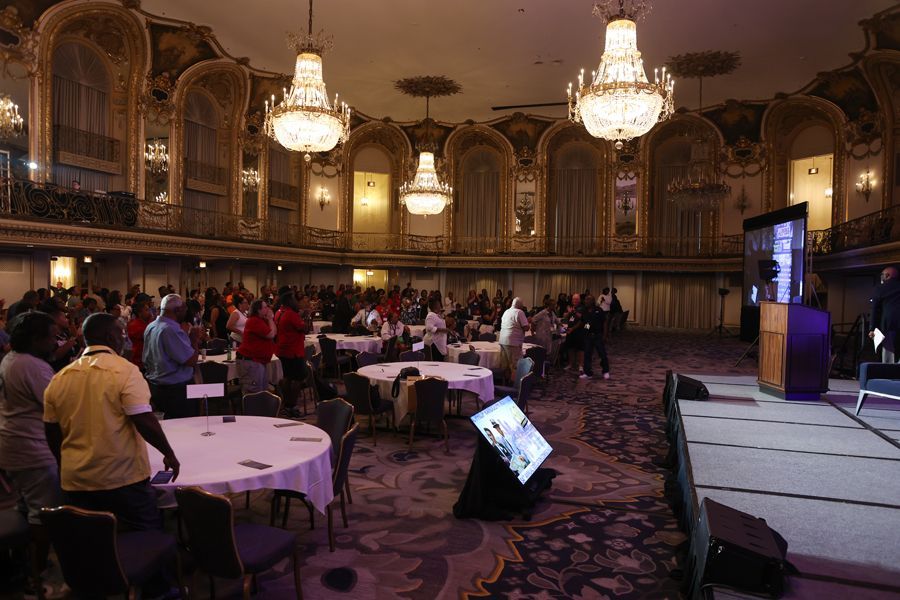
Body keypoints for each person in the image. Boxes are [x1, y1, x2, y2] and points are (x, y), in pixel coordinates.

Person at [43, 312, 180, 532]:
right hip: (120, 476)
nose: (123, 338)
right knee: (145, 535)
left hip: (76, 479)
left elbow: (51, 431)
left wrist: (65, 463)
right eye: (121, 333)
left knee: (93, 539)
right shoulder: (124, 371)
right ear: (110, 336)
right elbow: (144, 419)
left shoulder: (60, 378)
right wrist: (169, 453)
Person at [0, 312, 64, 578]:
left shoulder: (11, 358)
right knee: (44, 513)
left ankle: (22, 563)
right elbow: (57, 407)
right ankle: (38, 576)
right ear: (36, 339)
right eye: (51, 337)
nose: (55, 343)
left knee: (26, 505)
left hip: (12, 442)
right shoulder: (33, 367)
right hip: (31, 447)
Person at [143, 294, 201, 419]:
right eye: (184, 309)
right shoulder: (171, 329)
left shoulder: (151, 326)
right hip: (175, 390)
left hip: (156, 385)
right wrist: (194, 340)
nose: (186, 312)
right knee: (185, 426)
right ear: (177, 310)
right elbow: (190, 360)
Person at [275, 292, 308, 414]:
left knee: (286, 377)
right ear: (290, 301)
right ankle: (292, 405)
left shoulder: (278, 312)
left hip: (281, 349)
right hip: (293, 350)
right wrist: (305, 317)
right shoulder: (291, 314)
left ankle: (285, 404)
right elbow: (304, 328)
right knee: (297, 378)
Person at [236, 299, 277, 395]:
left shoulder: (262, 321)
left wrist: (270, 320)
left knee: (262, 391)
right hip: (251, 361)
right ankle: (253, 410)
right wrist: (271, 319)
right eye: (265, 307)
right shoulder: (254, 321)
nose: (268, 309)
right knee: (254, 392)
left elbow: (274, 332)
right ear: (258, 310)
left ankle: (259, 409)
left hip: (258, 360)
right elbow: (271, 334)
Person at [870, 266, 900, 362]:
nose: (881, 277)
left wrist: (872, 328)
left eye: (882, 275)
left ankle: (889, 375)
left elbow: (875, 309)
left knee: (889, 355)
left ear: (887, 275)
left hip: (888, 326)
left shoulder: (880, 288)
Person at [499, 297, 530, 381]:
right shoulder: (519, 312)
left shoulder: (506, 312)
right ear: (520, 305)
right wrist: (528, 322)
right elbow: (526, 327)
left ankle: (506, 384)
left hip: (502, 340)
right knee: (515, 366)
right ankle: (514, 386)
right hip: (513, 342)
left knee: (505, 366)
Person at [580, 295, 610, 380]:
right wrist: (585, 333)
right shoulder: (584, 311)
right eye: (585, 299)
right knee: (587, 355)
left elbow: (604, 322)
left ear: (592, 301)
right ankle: (588, 373)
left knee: (602, 354)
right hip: (588, 336)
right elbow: (585, 323)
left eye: (587, 299)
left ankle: (606, 371)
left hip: (598, 335)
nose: (585, 301)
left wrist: (604, 335)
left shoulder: (599, 310)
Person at [562, 293, 585, 371]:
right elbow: (564, 316)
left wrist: (574, 311)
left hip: (579, 331)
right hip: (570, 331)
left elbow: (582, 317)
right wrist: (569, 312)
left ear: (579, 300)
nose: (575, 301)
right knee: (570, 348)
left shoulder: (582, 307)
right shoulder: (569, 307)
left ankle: (581, 365)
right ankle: (571, 364)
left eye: (576, 299)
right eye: (573, 299)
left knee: (580, 349)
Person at [127, 301, 152, 370]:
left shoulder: (146, 323)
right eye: (146, 310)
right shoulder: (135, 325)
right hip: (138, 358)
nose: (149, 312)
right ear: (140, 313)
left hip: (146, 358)